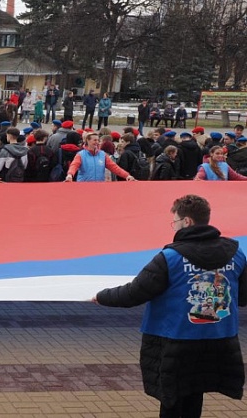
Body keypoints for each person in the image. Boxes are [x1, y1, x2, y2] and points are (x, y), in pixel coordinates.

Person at [93, 194, 246, 418]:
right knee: (195, 393)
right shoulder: (236, 254)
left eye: (174, 221)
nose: (173, 226)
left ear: (187, 222)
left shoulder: (170, 257)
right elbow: (242, 297)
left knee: (173, 400)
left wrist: (100, 296)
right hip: (218, 339)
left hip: (176, 341)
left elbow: (134, 293)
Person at [65, 132, 135, 182]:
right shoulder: (80, 154)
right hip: (83, 186)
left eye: (98, 140)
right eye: (94, 140)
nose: (97, 142)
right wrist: (70, 175)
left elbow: (114, 167)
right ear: (88, 141)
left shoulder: (103, 154)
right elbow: (74, 166)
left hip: (99, 186)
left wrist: (127, 176)